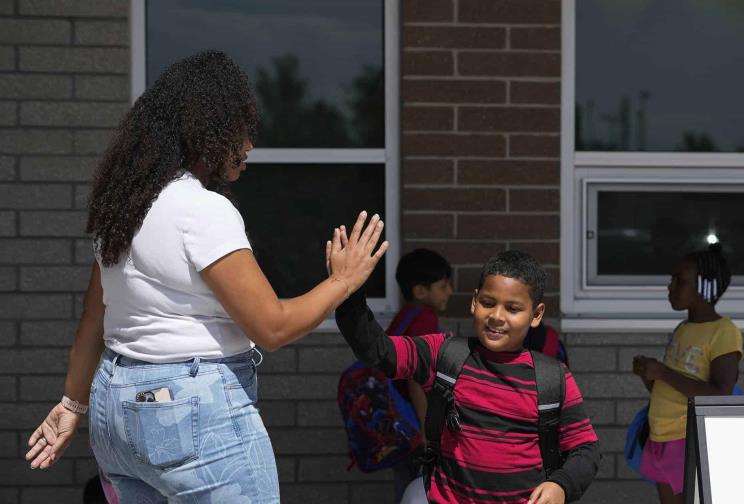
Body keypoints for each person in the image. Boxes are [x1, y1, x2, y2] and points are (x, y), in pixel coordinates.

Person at [23, 50, 387, 502]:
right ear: (209, 130)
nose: (250, 145)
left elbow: (92, 322)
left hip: (113, 409)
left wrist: (71, 404)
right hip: (189, 409)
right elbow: (271, 327)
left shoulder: (122, 207)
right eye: (242, 129)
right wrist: (344, 281)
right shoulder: (203, 210)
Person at [336, 250, 600, 504]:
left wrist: (561, 485)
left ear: (536, 314)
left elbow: (586, 449)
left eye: (513, 308)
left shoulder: (553, 379)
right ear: (474, 302)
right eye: (488, 303)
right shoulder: (444, 355)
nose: (497, 316)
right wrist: (348, 289)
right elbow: (378, 350)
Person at [632, 244, 743, 504]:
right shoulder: (683, 328)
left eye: (680, 281)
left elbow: (720, 393)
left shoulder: (724, 331)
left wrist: (663, 372)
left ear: (706, 286)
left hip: (688, 439)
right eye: (671, 280)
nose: (670, 287)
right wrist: (649, 376)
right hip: (661, 436)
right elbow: (672, 390)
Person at [387, 248, 453, 502]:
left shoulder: (404, 318)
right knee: (419, 490)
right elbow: (417, 377)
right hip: (413, 426)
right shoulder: (424, 318)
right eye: (443, 285)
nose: (449, 291)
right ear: (420, 291)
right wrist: (429, 432)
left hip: (398, 422)